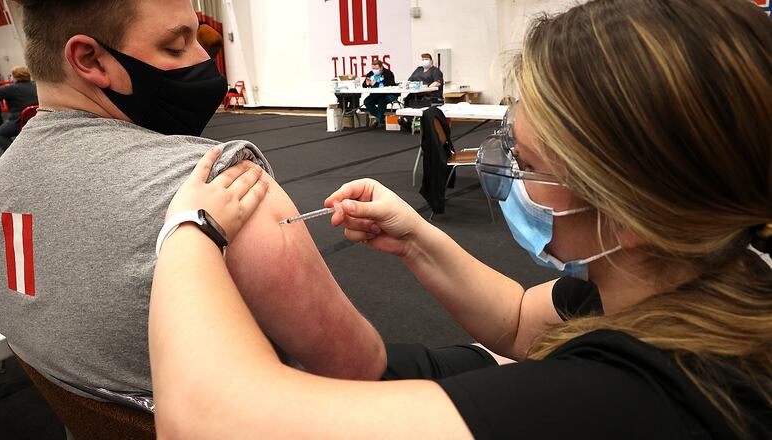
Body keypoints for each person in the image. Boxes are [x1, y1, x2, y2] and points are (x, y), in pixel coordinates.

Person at [149, 0, 771, 438]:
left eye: (528, 164)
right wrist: (416, 238)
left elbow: (204, 421)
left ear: (630, 210)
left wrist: (191, 230)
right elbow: (521, 321)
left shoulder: (637, 399)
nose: (508, 174)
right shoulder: (701, 272)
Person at [0, 0, 385, 405]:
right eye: (175, 47)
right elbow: (358, 365)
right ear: (89, 59)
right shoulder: (222, 186)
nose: (203, 61)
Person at [0, 66, 37, 151]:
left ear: (15, 76)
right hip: (36, 120)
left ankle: (14, 154)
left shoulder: (12, 88)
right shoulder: (36, 85)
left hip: (18, 121)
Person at [361, 59, 397, 128]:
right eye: (373, 68)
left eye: (376, 69)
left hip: (389, 94)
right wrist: (367, 83)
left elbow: (389, 85)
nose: (374, 70)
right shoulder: (371, 73)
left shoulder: (388, 73)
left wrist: (376, 84)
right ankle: (382, 118)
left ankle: (377, 121)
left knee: (381, 100)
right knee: (367, 102)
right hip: (376, 95)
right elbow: (364, 85)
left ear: (381, 67)